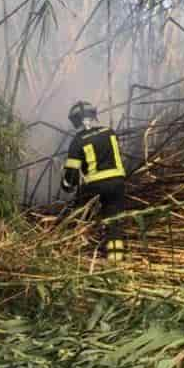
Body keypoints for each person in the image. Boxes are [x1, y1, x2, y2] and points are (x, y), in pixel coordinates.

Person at [61, 100, 128, 263]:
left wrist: (67, 186)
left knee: (80, 215)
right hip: (117, 182)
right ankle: (116, 259)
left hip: (95, 185)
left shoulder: (77, 141)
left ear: (75, 120)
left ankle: (76, 253)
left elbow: (71, 175)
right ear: (93, 115)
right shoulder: (110, 132)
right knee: (114, 219)